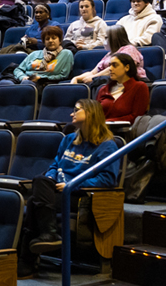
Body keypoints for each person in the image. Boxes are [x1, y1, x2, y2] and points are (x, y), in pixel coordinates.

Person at [16, 100, 120, 276]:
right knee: (41, 181)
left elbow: (107, 179)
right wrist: (50, 177)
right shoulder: (69, 139)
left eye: (76, 110)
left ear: (91, 114)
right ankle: (48, 234)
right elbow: (55, 165)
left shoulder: (107, 146)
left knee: (34, 201)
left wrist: (73, 185)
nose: (72, 114)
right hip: (57, 191)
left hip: (80, 195)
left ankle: (28, 259)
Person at [1, 25, 74, 92]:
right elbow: (19, 69)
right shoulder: (35, 54)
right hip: (26, 80)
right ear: (44, 42)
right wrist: (23, 77)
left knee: (27, 84)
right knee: (4, 83)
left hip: (44, 84)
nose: (51, 41)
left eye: (54, 38)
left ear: (60, 40)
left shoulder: (66, 54)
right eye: (47, 39)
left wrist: (41, 78)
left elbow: (64, 75)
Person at [71, 26, 147, 88]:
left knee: (97, 83)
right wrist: (77, 78)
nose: (104, 41)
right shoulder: (109, 54)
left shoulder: (129, 49)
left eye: (106, 38)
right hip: (111, 81)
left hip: (130, 83)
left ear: (114, 39)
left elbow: (115, 68)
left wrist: (94, 78)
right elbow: (93, 72)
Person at [96, 54, 150, 123]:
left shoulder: (139, 87)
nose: (110, 68)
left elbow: (136, 117)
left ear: (127, 67)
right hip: (102, 130)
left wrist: (108, 122)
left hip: (126, 131)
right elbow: (96, 115)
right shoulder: (103, 89)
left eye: (114, 65)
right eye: (110, 65)